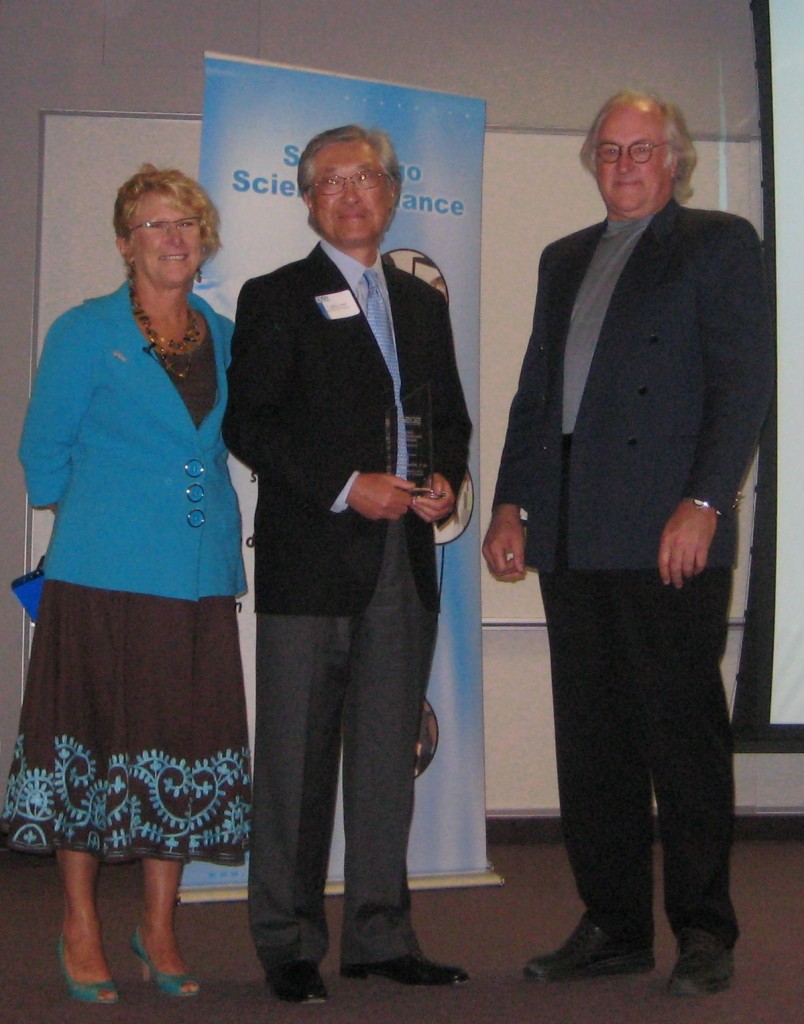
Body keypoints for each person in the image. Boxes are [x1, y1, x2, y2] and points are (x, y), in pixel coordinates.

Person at [482, 91, 774, 998]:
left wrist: (704, 500)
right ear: (592, 162)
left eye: (642, 149)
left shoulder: (719, 243)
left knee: (681, 740)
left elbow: (743, 383)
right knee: (593, 743)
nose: (624, 165)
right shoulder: (561, 258)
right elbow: (537, 393)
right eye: (608, 151)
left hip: (668, 531)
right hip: (570, 529)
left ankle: (704, 932)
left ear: (675, 159)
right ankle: (612, 925)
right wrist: (509, 504)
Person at [224, 124, 471, 1004]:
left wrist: (446, 478)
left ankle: (379, 933)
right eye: (331, 180)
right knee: (294, 764)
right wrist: (342, 486)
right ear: (308, 200)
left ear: (394, 192)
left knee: (381, 762)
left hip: (404, 565)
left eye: (367, 176)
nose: (353, 191)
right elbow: (248, 425)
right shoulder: (276, 297)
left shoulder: (422, 303)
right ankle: (289, 942)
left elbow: (452, 423)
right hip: (311, 564)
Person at [0, 165, 251, 1003]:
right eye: (154, 225)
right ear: (123, 243)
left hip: (198, 573)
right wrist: (117, 513)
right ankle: (78, 921)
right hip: (103, 575)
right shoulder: (86, 331)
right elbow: (43, 460)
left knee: (179, 752)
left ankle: (161, 925)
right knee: (89, 745)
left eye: (186, 222)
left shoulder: (223, 328)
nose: (174, 238)